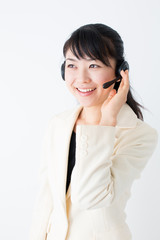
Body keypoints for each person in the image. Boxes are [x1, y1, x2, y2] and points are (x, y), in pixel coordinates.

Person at [29, 23, 158, 240]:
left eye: (94, 66)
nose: (81, 78)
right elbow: (46, 201)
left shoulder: (139, 135)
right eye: (71, 65)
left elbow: (90, 197)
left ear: (119, 73)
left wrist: (107, 122)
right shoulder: (58, 124)